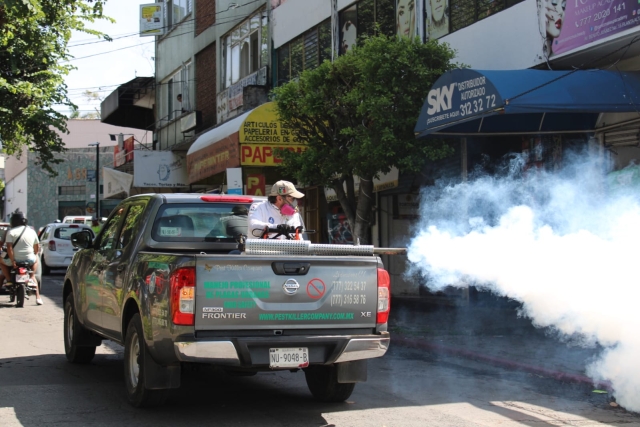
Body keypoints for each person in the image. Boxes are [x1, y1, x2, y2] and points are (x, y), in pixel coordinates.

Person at [5, 211, 42, 305]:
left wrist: (13, 260)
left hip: (15, 261)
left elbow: (9, 248)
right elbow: (36, 249)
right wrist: (33, 255)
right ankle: (38, 297)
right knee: (36, 261)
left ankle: (9, 280)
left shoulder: (11, 232)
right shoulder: (32, 231)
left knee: (1, 262)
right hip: (29, 261)